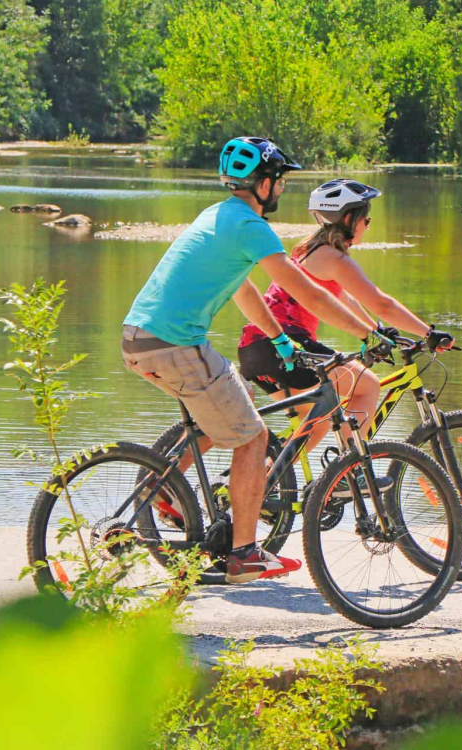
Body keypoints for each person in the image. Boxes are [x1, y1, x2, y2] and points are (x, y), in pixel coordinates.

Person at [121, 139, 392, 584]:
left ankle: (163, 486)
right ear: (263, 184)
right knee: (253, 437)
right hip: (176, 344)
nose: (281, 188)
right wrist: (368, 334)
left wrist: (279, 338)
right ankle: (244, 552)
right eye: (279, 181)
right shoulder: (251, 226)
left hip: (138, 340)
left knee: (234, 404)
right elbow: (308, 293)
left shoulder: (216, 216)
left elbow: (243, 290)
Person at [238, 178, 454, 456]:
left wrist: (376, 330)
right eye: (366, 219)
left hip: (255, 346)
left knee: (316, 423)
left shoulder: (308, 251)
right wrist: (429, 333)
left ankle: (269, 477)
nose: (368, 225)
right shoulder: (334, 259)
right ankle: (350, 468)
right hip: (286, 344)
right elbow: (382, 303)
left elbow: (343, 299)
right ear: (349, 218)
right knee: (367, 386)